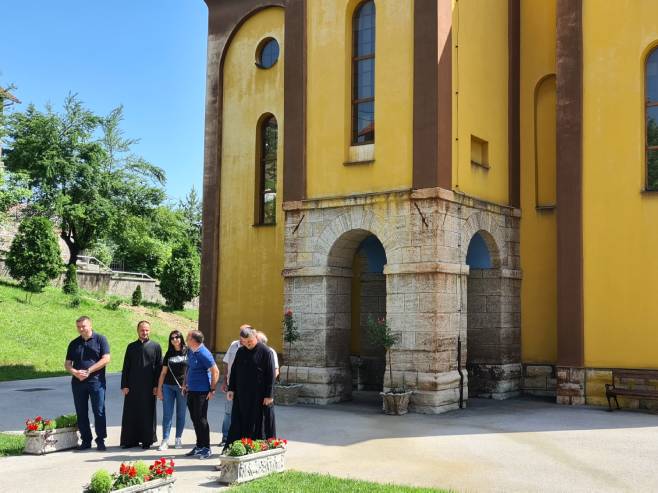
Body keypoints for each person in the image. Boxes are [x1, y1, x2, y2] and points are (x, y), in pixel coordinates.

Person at [65, 316, 111, 451]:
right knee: (81, 412)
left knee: (99, 411)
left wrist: (89, 370)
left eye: (83, 326)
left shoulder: (101, 339)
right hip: (78, 383)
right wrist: (75, 372)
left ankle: (100, 440)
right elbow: (67, 364)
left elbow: (106, 359)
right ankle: (86, 440)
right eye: (78, 327)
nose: (81, 329)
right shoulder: (74, 343)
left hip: (96, 382)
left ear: (90, 325)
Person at [225, 327, 275, 448]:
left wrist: (269, 395)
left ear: (255, 337)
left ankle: (254, 448)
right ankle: (235, 448)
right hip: (241, 395)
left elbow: (271, 374)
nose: (248, 344)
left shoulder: (266, 352)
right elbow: (234, 371)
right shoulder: (240, 351)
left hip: (258, 396)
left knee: (256, 423)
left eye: (250, 341)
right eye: (245, 342)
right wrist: (231, 389)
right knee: (238, 422)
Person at [120, 320, 162, 450]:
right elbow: (126, 367)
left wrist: (157, 386)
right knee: (130, 412)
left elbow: (159, 368)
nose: (144, 332)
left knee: (147, 413)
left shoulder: (156, 347)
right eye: (142, 330)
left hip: (149, 386)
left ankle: (146, 440)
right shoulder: (131, 347)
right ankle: (130, 440)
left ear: (150, 330)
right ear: (137, 331)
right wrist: (124, 385)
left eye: (147, 330)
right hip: (132, 386)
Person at [183, 330, 219, 459]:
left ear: (193, 340)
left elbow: (215, 371)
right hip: (191, 390)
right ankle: (199, 446)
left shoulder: (204, 353)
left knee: (201, 419)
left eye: (188, 337)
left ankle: (206, 448)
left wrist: (212, 389)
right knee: (195, 419)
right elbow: (189, 368)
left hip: (202, 392)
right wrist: (185, 384)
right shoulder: (191, 351)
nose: (186, 339)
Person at [156, 329, 187, 450]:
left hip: (182, 388)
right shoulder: (168, 354)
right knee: (167, 414)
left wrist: (187, 384)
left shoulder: (188, 352)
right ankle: (165, 440)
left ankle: (178, 438)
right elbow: (163, 373)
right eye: (172, 338)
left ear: (181, 338)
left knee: (181, 414)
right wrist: (159, 389)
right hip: (168, 386)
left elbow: (191, 370)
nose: (175, 340)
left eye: (177, 337)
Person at [220, 328, 244, 446]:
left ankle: (240, 438)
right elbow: (226, 362)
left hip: (244, 387)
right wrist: (224, 381)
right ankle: (225, 437)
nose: (242, 336)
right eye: (241, 333)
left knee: (242, 412)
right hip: (231, 385)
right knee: (228, 412)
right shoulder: (234, 345)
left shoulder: (252, 347)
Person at [256, 330, 279, 439]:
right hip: (256, 389)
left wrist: (267, 388)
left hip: (266, 388)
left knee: (267, 414)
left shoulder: (270, 352)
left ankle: (269, 439)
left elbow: (275, 371)